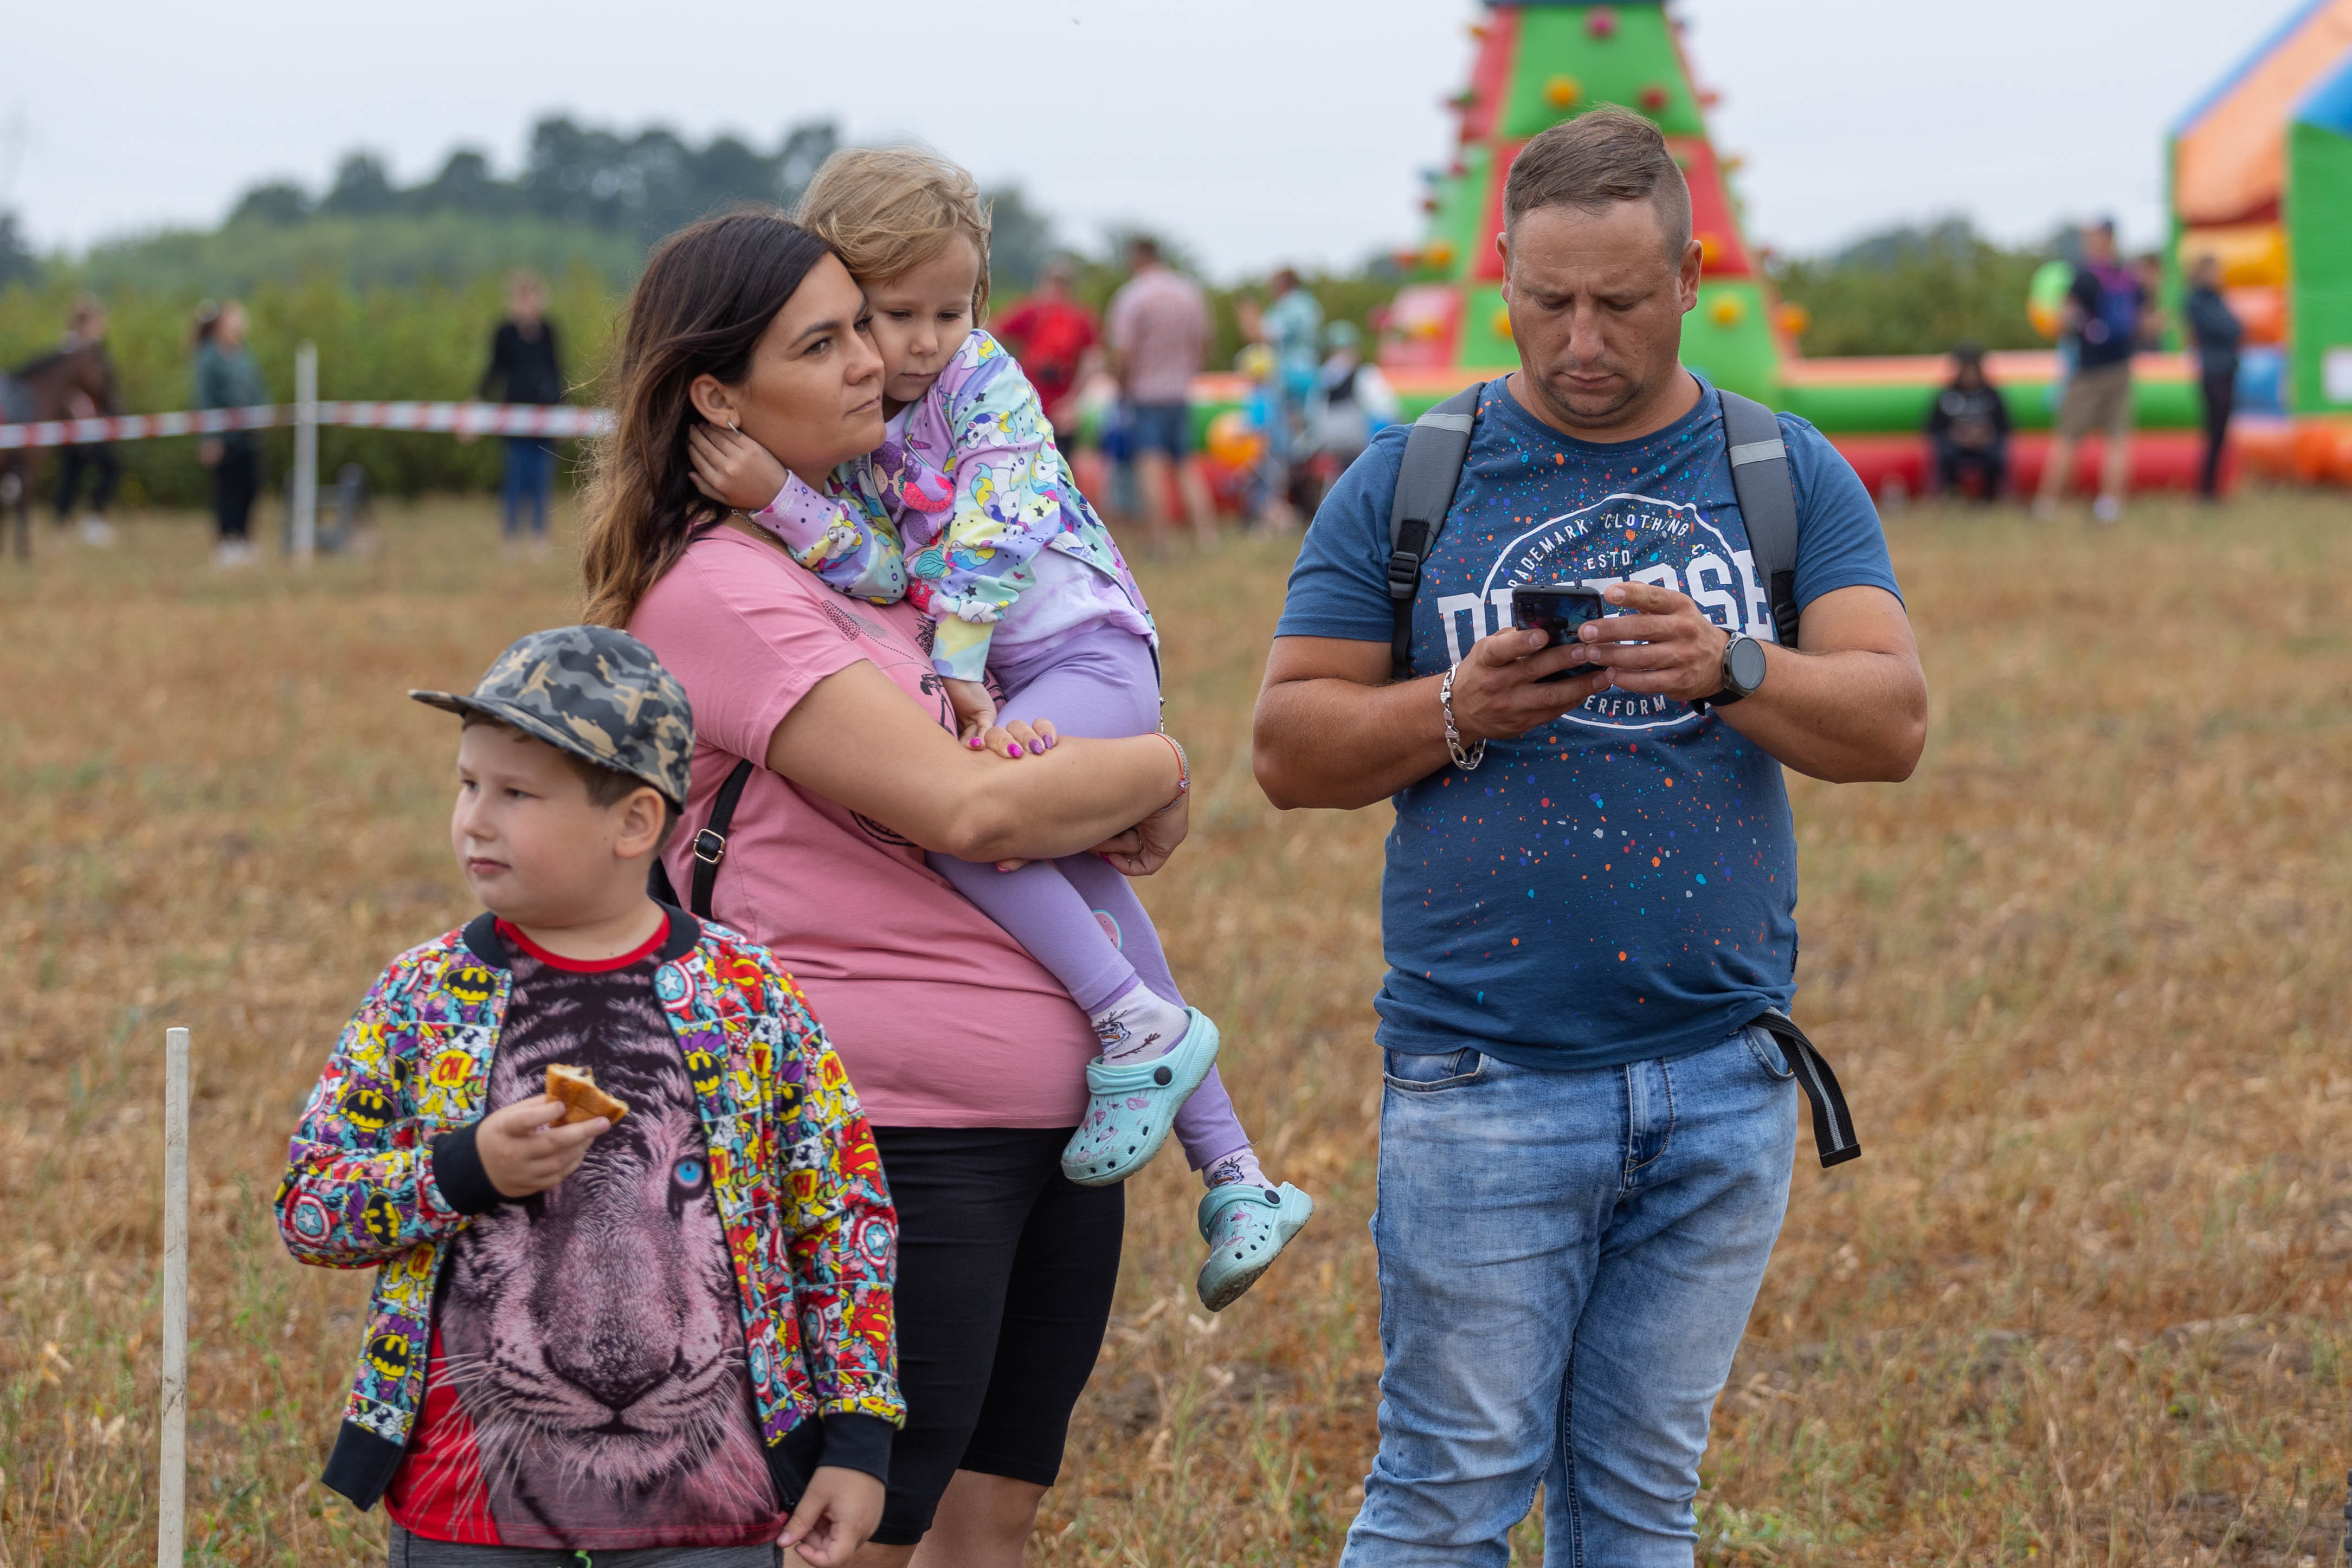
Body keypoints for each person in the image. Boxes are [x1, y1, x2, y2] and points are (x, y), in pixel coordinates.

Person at [1252, 107, 1926, 1565]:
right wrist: (1456, 704)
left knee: (1638, 1504)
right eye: (1544, 299)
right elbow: (1285, 747)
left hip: (1723, 1077)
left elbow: (1890, 722)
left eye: (1619, 300)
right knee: (1446, 1495)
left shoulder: (1780, 470)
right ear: (1499, 271)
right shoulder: (1407, 479)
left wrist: (1733, 663)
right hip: (1481, 1075)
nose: (1579, 337)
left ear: (1690, 274)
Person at [579, 208, 1198, 1564]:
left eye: (868, 325)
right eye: (826, 339)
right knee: (854, 1534)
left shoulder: (872, 565)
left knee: (985, 1530)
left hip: (1047, 1127)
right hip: (889, 1134)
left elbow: (1015, 765)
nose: (877, 360)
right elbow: (968, 802)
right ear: (716, 397)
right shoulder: (721, 590)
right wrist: (1154, 761)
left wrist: (1104, 788)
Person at [691, 144, 1310, 1304]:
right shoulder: (872, 420)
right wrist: (778, 500)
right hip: (1009, 674)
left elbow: (1001, 516)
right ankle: (1234, 1173)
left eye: (950, 308)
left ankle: (1129, 1020)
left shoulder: (983, 381)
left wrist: (962, 662)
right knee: (1077, 882)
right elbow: (885, 568)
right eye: (893, 314)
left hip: (1083, 654)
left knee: (964, 820)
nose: (923, 340)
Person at [275, 624, 899, 1567]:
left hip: (717, 1510)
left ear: (635, 823)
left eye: (516, 793)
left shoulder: (747, 995)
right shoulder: (421, 994)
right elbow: (310, 1208)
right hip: (466, 1505)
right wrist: (465, 1167)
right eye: (467, 783)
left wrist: (855, 1439)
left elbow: (842, 1213)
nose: (474, 819)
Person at [2034, 220, 2154, 525]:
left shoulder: (2085, 276)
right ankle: (2110, 506)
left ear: (2101, 239)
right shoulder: (2129, 276)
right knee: (2117, 439)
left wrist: (2064, 325)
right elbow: (2143, 324)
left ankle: (2047, 505)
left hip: (2088, 369)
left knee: (2067, 437)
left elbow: (2067, 317)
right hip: (2122, 366)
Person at [1104, 236, 1217, 550]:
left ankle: (1160, 541)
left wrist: (1121, 387)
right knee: (1186, 465)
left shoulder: (1132, 296)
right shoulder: (1190, 293)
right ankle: (1207, 537)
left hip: (1145, 394)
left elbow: (1123, 352)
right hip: (1181, 392)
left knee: (1150, 467)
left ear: (1138, 258)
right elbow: (1206, 343)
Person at [477, 269, 567, 550]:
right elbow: (494, 371)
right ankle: (511, 535)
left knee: (542, 479)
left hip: (547, 416)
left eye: (533, 297)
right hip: (513, 418)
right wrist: (477, 401)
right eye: (522, 298)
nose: (528, 303)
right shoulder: (504, 333)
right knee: (516, 476)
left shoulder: (550, 331)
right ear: (514, 301)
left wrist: (565, 413)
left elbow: (558, 371)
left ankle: (538, 535)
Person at [193, 300, 268, 567]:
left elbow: (257, 389)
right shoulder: (209, 357)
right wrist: (209, 438)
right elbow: (204, 398)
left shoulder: (245, 354)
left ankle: (244, 539)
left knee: (251, 486)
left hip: (249, 434)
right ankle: (227, 541)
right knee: (227, 489)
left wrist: (264, 415)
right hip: (224, 436)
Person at [992, 255, 1098, 430]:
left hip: (1062, 400)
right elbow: (993, 333)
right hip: (1030, 395)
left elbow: (1091, 361)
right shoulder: (1032, 310)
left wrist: (1074, 400)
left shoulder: (1080, 317)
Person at [53, 294, 121, 547]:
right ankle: (68, 519)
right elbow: (64, 391)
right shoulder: (70, 352)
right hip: (77, 423)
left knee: (80, 470)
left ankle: (76, 518)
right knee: (76, 470)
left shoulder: (96, 350)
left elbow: (107, 387)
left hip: (97, 423)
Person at [2185, 253, 2242, 500]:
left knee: (2222, 432)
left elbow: (2236, 327)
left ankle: (2215, 485)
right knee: (2214, 430)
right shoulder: (2197, 301)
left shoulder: (2217, 298)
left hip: (2226, 369)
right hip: (2213, 371)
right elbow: (2228, 327)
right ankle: (2207, 488)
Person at [1309, 319, 1400, 469]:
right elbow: (1387, 410)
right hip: (1363, 449)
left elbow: (1314, 415)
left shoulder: (1322, 379)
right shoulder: (1365, 375)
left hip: (1332, 451)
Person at [1923, 344, 2008, 501]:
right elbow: (1932, 427)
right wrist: (1955, 435)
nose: (1970, 376)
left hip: (1986, 444)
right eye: (1966, 370)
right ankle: (1950, 494)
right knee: (1947, 455)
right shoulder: (1946, 395)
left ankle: (1991, 497)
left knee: (1996, 457)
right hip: (1955, 445)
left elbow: (2005, 425)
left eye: (1973, 370)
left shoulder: (1992, 395)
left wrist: (1987, 435)